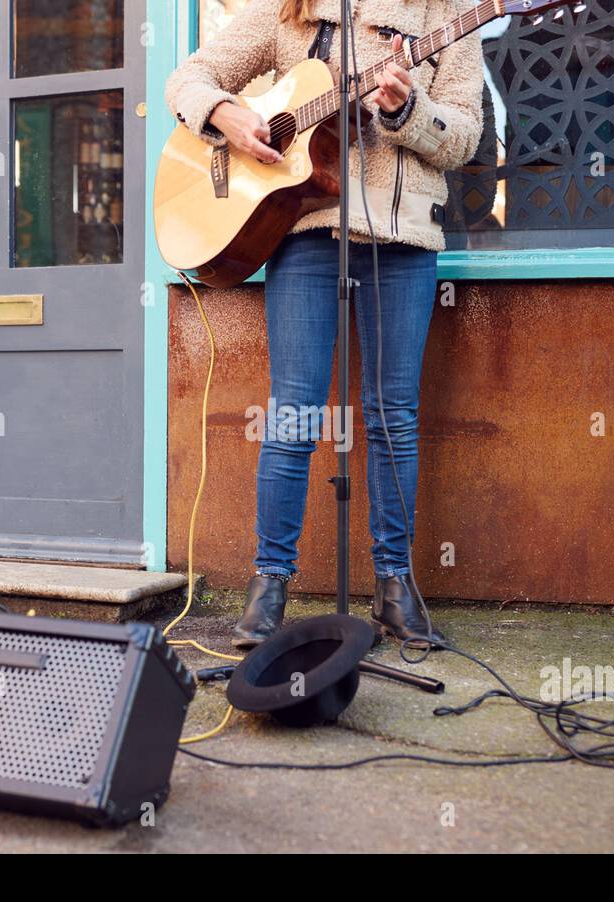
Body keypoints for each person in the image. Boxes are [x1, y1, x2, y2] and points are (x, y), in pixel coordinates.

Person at [165, 0, 484, 648]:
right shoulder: (293, 9)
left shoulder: (447, 12)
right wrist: (228, 115)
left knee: (393, 415)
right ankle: (269, 585)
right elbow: (188, 80)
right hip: (307, 234)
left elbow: (465, 135)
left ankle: (395, 587)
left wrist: (405, 113)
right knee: (293, 413)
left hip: (403, 238)